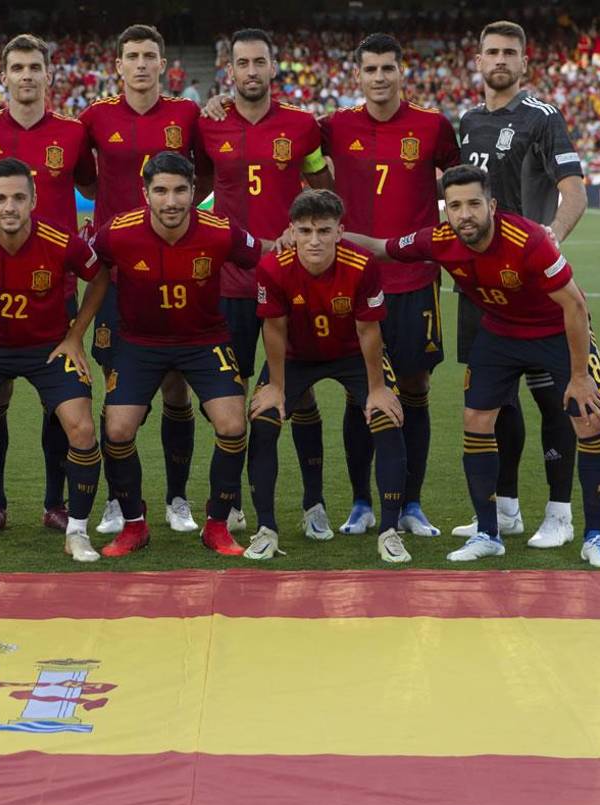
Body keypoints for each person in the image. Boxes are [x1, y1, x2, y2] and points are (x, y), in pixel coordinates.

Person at [348, 164, 600, 568]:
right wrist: (335, 235)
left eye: (473, 203)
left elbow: (575, 305)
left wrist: (580, 377)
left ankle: (595, 536)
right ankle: (489, 533)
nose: (464, 214)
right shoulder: (439, 239)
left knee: (589, 417)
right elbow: (385, 247)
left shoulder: (527, 239)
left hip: (554, 331)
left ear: (491, 205)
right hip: (501, 334)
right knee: (475, 417)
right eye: (454, 205)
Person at [0, 158, 109, 563]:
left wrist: (76, 335)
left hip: (49, 349)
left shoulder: (61, 241)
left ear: (33, 200)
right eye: (0, 199)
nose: (9, 207)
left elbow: (99, 278)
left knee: (81, 428)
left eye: (17, 198)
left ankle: (77, 532)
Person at [319, 32, 461, 538]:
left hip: (415, 280)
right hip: (351, 283)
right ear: (358, 75)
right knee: (362, 392)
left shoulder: (432, 126)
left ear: (403, 71)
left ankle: (411, 505)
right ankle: (361, 503)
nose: (379, 77)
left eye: (388, 68)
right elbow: (284, 136)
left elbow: (462, 183)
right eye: (370, 69)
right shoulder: (335, 126)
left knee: (416, 386)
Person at [196, 27, 335, 539]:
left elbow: (323, 190)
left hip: (290, 282)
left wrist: (303, 229)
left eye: (260, 62)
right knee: (230, 399)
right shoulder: (207, 126)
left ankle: (314, 503)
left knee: (298, 394)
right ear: (228, 71)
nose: (251, 72)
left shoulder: (302, 126)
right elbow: (195, 192)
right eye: (241, 64)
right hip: (229, 283)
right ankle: (229, 502)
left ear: (274, 68)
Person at [455, 20, 588, 549]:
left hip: (530, 285)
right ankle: (504, 509)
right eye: (492, 51)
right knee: (493, 399)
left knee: (553, 399)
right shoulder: (466, 121)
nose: (501, 59)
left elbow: (574, 191)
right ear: (479, 59)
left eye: (511, 51)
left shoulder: (542, 118)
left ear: (524, 62)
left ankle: (559, 513)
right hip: (480, 286)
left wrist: (550, 240)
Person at [91, 151, 263, 558]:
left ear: (194, 192)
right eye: (162, 191)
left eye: (181, 190)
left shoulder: (221, 230)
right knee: (117, 429)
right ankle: (134, 524)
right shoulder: (118, 231)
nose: (171, 201)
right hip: (139, 343)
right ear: (145, 193)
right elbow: (88, 266)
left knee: (233, 425)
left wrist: (294, 241)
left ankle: (217, 525)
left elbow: (261, 257)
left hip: (204, 340)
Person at [80, 24, 211, 536]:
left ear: (164, 64)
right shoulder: (95, 117)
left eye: (149, 55)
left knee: (177, 385)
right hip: (118, 272)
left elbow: (207, 172)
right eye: (130, 55)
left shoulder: (187, 114)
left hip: (178, 267)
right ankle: (118, 500)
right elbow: (84, 178)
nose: (140, 64)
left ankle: (177, 498)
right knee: (117, 390)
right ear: (117, 65)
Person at [0, 34, 98, 536]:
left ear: (48, 75)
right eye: (16, 67)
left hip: (54, 284)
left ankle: (54, 501)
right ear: (3, 76)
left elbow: (91, 185)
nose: (26, 75)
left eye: (34, 67)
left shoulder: (72, 131)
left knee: (54, 398)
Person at [246, 189, 409, 564]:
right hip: (296, 357)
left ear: (340, 231)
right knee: (265, 421)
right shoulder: (273, 267)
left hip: (351, 353)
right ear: (292, 231)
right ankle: (268, 528)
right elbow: (274, 328)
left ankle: (389, 530)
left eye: (323, 230)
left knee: (386, 417)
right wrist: (276, 386)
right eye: (305, 231)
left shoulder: (362, 265)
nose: (314, 240)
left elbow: (369, 332)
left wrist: (377, 389)